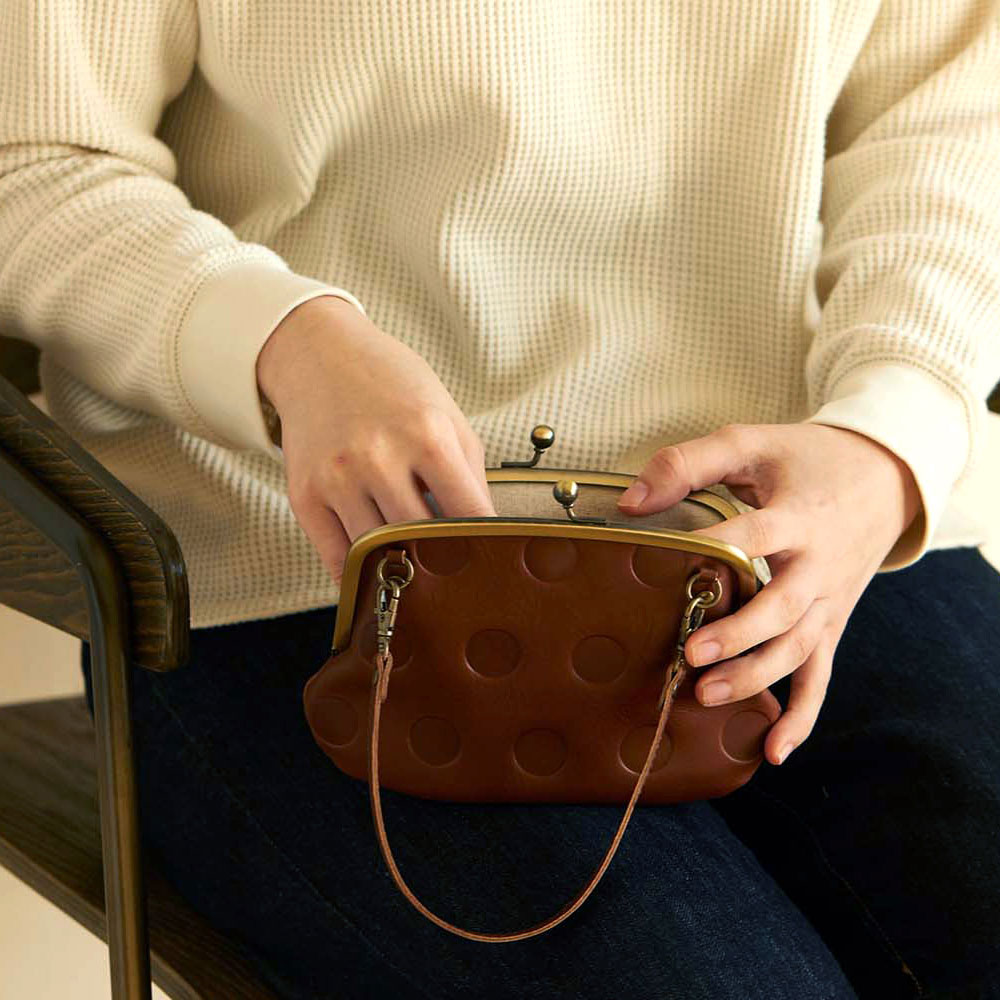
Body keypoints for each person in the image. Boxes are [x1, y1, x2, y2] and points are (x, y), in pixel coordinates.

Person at [3, 1, 1000, 996]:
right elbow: (32, 155)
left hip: (799, 532)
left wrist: (891, 432)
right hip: (316, 560)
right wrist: (285, 343)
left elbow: (953, 117)